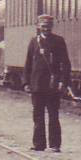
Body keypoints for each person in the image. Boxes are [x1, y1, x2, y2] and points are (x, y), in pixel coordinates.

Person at [24, 13, 70, 152]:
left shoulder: (59, 41)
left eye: (48, 26)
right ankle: (39, 144)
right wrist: (26, 83)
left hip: (52, 85)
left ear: (52, 26)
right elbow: (28, 64)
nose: (46, 28)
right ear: (38, 26)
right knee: (38, 116)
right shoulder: (34, 42)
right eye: (43, 26)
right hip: (37, 85)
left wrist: (63, 81)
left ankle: (55, 145)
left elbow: (65, 63)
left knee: (53, 115)